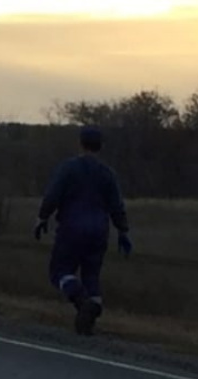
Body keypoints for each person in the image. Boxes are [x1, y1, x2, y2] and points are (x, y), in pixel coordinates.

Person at [34, 125, 131, 336]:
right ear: (101, 146)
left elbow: (52, 195)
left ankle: (80, 299)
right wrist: (123, 231)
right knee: (92, 275)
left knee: (60, 271)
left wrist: (42, 218)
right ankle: (90, 312)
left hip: (72, 227)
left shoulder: (68, 168)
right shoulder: (107, 174)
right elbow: (116, 205)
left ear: (80, 143)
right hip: (99, 231)